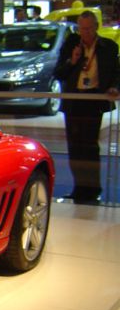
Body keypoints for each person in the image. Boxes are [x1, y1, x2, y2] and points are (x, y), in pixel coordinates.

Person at [53, 10, 120, 204]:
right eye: (82, 29)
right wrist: (72, 61)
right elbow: (59, 73)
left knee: (90, 147)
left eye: (89, 29)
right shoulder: (71, 45)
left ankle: (93, 189)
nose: (85, 33)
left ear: (96, 27)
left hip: (94, 101)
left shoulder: (108, 47)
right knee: (75, 147)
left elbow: (116, 72)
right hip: (74, 101)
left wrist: (114, 87)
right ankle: (78, 188)